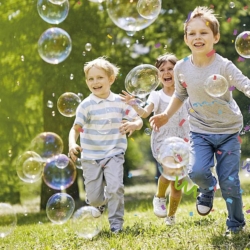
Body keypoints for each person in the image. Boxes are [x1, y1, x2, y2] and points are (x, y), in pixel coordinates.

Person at [149, 6, 250, 235]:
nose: (197, 37)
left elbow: (244, 83)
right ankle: (206, 188)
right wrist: (166, 114)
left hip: (227, 132)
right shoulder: (182, 67)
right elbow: (180, 94)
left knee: (231, 183)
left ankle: (235, 224)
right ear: (186, 39)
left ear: (215, 37)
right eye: (192, 33)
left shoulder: (223, 65)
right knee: (196, 172)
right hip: (200, 131)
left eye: (203, 32)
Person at [68, 57, 143, 233]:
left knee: (115, 188)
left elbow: (138, 119)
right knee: (94, 198)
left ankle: (116, 225)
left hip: (114, 153)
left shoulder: (120, 101)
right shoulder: (86, 105)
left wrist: (134, 124)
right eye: (91, 79)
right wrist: (72, 143)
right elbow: (75, 128)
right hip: (90, 157)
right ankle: (99, 205)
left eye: (100, 77)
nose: (95, 82)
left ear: (111, 79)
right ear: (86, 82)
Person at [120, 53, 189, 225]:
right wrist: (134, 104)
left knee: (178, 183)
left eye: (170, 69)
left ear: (178, 72)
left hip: (184, 139)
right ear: (158, 75)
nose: (166, 73)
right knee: (169, 170)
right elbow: (145, 113)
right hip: (163, 139)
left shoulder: (186, 93)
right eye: (162, 70)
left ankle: (171, 216)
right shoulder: (156, 96)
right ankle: (159, 196)